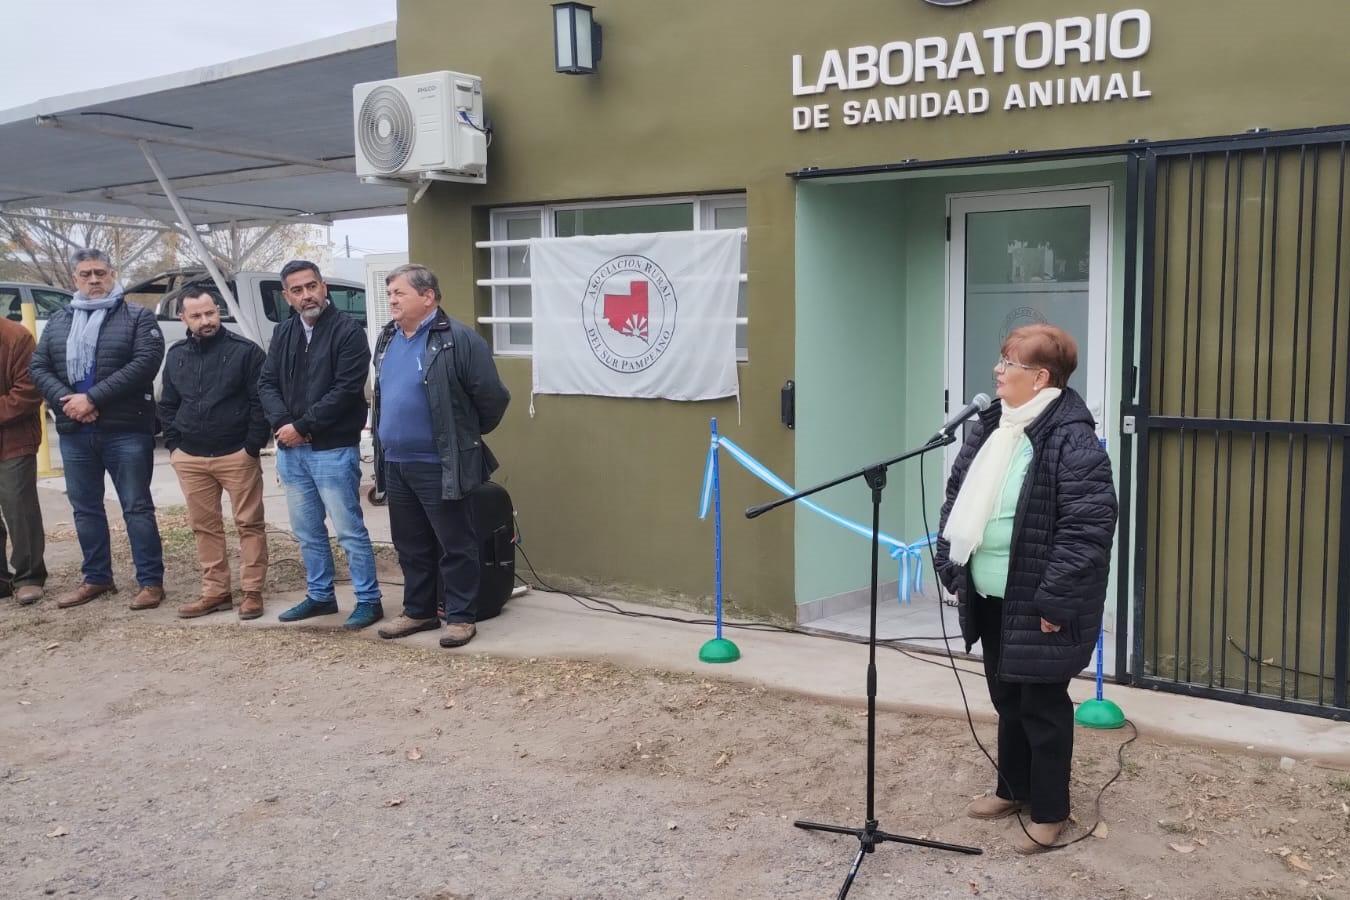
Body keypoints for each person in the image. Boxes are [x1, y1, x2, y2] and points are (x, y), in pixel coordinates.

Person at [934, 323, 1116, 855]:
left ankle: (1051, 811)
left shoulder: (1072, 438)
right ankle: (1012, 790)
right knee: (1007, 697)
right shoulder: (994, 425)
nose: (998, 370)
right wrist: (951, 561)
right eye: (1001, 361)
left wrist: (1055, 601)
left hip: (1040, 602)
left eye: (1009, 363)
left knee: (1042, 706)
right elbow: (958, 495)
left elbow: (1087, 530)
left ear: (1039, 378)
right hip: (991, 596)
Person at [372, 264, 509, 649]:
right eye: (390, 294)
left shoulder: (459, 340)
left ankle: (461, 617)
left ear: (428, 296)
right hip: (397, 463)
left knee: (455, 542)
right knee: (410, 543)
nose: (392, 301)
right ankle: (419, 611)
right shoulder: (388, 339)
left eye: (399, 293)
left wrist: (461, 436)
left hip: (439, 463)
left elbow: (493, 398)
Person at [30, 248, 166, 611]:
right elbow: (39, 366)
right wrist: (69, 401)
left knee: (136, 507)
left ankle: (151, 582)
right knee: (85, 508)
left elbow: (145, 363)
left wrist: (91, 399)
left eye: (100, 273)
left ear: (112, 274)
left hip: (126, 430)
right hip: (76, 432)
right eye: (86, 274)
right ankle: (97, 577)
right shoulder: (60, 321)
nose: (94, 280)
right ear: (74, 279)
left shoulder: (137, 318)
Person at [258, 260, 383, 629]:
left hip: (332, 449)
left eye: (311, 286)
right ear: (287, 296)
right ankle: (320, 596)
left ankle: (368, 600)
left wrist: (303, 426)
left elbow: (345, 391)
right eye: (297, 290)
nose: (306, 295)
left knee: (348, 529)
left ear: (323, 287)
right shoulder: (283, 332)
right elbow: (266, 383)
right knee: (308, 530)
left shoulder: (348, 331)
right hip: (291, 451)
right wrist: (284, 425)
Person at [158, 285, 270, 621]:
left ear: (218, 310)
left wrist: (252, 446)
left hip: (236, 453)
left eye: (211, 312)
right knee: (204, 527)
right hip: (190, 456)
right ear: (183, 318)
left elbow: (259, 403)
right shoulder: (176, 354)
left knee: (249, 524)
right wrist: (174, 445)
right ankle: (215, 592)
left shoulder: (246, 352)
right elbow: (168, 403)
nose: (206, 320)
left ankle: (252, 592)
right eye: (197, 315)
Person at [0, 313, 46, 605]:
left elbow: (29, 392)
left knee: (20, 510)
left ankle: (29, 576)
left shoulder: (16, 337)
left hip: (13, 440)